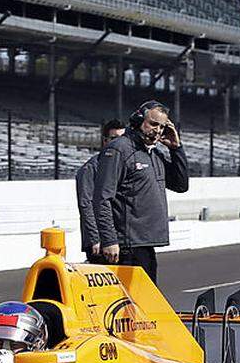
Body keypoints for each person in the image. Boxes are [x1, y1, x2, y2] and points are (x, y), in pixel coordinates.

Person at [93, 100, 190, 284]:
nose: (158, 130)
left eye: (162, 127)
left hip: (145, 245)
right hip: (126, 248)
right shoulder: (119, 149)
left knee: (144, 306)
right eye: (153, 124)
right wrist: (109, 240)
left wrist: (176, 149)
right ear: (138, 120)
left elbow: (180, 185)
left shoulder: (155, 153)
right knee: (129, 307)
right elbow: (102, 198)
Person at [76, 120, 126, 264]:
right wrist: (95, 238)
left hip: (118, 239)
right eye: (115, 139)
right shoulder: (91, 168)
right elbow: (86, 204)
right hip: (100, 243)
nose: (119, 144)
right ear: (105, 141)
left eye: (123, 139)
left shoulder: (123, 165)